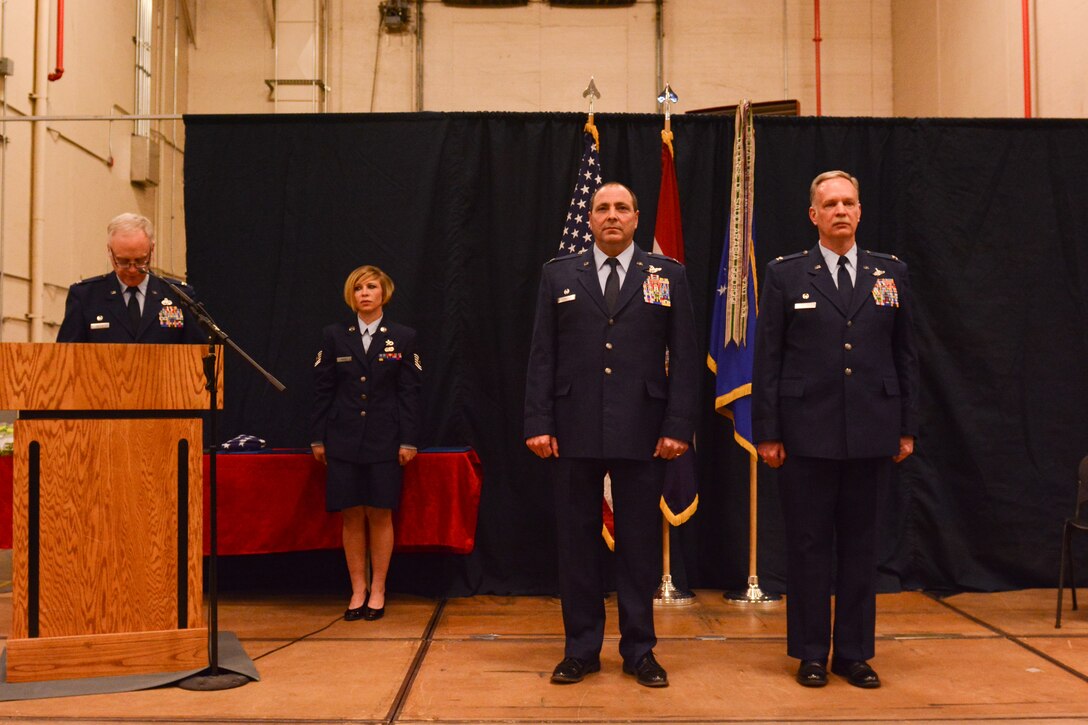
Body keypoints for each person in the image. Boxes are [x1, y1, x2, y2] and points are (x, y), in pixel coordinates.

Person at [524, 182, 699, 688]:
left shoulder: (667, 275)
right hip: (572, 426)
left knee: (639, 546)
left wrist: (678, 425)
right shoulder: (559, 274)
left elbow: (685, 356)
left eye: (622, 208)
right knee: (576, 544)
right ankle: (580, 649)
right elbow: (542, 353)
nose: (612, 216)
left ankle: (639, 650)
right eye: (602, 208)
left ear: (637, 218)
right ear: (590, 218)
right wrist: (538, 421)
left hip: (644, 428)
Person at [752, 170, 919, 689]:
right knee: (808, 547)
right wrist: (767, 432)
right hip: (806, 432)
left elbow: (906, 355)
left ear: (860, 211)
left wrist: (906, 427)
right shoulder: (786, 275)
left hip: (872, 430)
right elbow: (768, 359)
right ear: (814, 215)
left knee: (861, 548)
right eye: (830, 204)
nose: (840, 211)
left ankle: (853, 653)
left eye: (848, 202)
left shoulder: (890, 273)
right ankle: (810, 653)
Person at [310, 265, 422, 622]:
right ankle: (357, 588)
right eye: (358, 288)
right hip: (342, 437)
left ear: (383, 293)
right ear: (351, 295)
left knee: (380, 512)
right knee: (351, 514)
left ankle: (378, 589)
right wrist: (318, 436)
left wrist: (409, 440)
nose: (364, 293)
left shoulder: (402, 336)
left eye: (371, 287)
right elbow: (323, 389)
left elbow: (409, 393)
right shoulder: (334, 335)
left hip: (385, 439)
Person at [56, 213, 206, 343]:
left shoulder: (178, 296)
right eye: (123, 261)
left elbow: (197, 355)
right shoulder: (86, 297)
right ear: (109, 251)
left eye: (140, 261)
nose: (133, 269)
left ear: (152, 250)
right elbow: (67, 356)